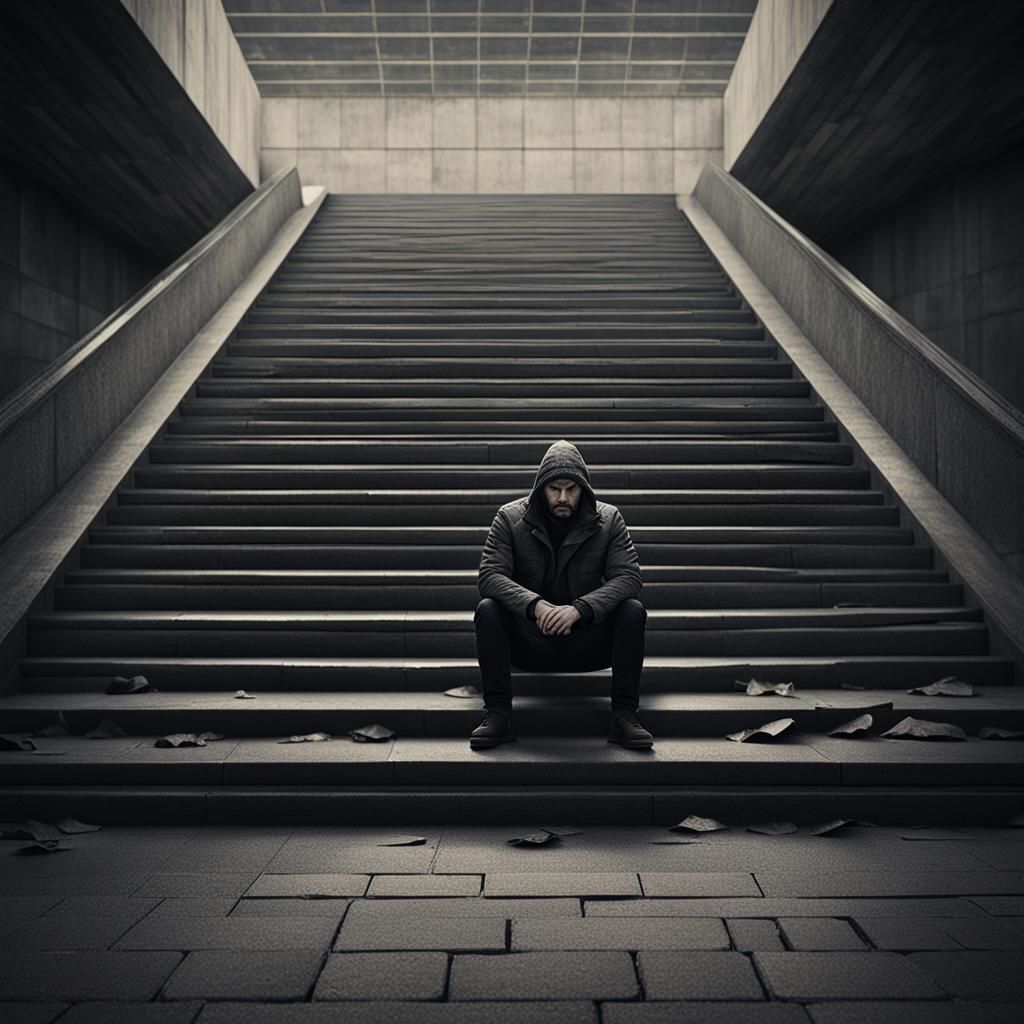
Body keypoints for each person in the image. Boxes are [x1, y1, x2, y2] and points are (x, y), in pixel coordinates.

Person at [470, 439, 653, 750]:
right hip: (529, 641)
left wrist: (580, 609)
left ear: (584, 489)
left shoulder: (608, 520)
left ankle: (624, 716)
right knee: (488, 609)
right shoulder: (509, 518)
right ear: (541, 487)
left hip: (586, 640)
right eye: (555, 488)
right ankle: (498, 715)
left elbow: (628, 577)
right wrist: (536, 606)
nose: (563, 497)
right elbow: (490, 576)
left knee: (632, 610)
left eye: (572, 489)